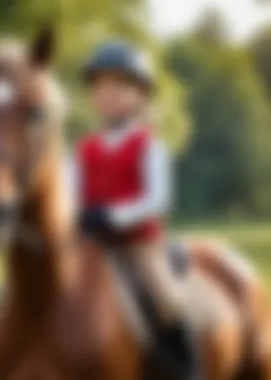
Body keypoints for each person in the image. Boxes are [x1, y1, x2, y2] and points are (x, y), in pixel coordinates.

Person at [71, 41, 201, 380]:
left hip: (137, 246)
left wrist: (111, 215)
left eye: (119, 86)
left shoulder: (149, 145)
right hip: (88, 244)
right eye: (99, 87)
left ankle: (187, 364)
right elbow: (70, 193)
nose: (108, 94)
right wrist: (74, 213)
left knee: (165, 298)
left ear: (140, 95)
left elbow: (157, 200)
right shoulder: (83, 149)